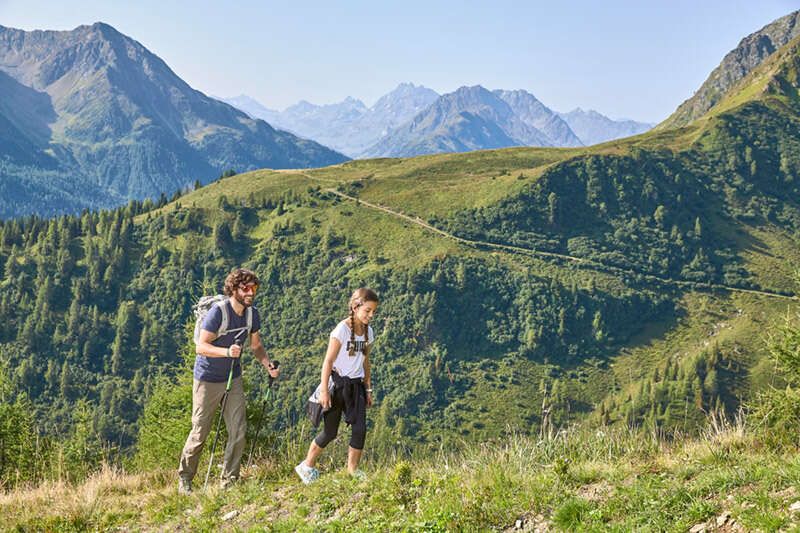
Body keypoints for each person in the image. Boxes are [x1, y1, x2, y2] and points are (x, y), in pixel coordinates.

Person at [177, 268, 279, 493]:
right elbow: (200, 346)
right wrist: (226, 352)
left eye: (254, 288)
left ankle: (229, 481)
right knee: (200, 431)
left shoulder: (252, 314)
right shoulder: (218, 313)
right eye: (246, 288)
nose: (251, 292)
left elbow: (256, 346)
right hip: (207, 379)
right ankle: (185, 478)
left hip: (233, 378)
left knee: (238, 429)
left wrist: (267, 365)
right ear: (234, 289)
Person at [295, 288, 378, 484]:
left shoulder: (369, 332)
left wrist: (368, 389)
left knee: (360, 429)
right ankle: (307, 465)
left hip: (356, 387)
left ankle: (352, 471)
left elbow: (366, 362)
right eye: (367, 310)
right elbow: (328, 361)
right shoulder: (342, 330)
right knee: (330, 432)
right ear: (355, 307)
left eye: (373, 311)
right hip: (337, 386)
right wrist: (324, 390)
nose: (371, 315)